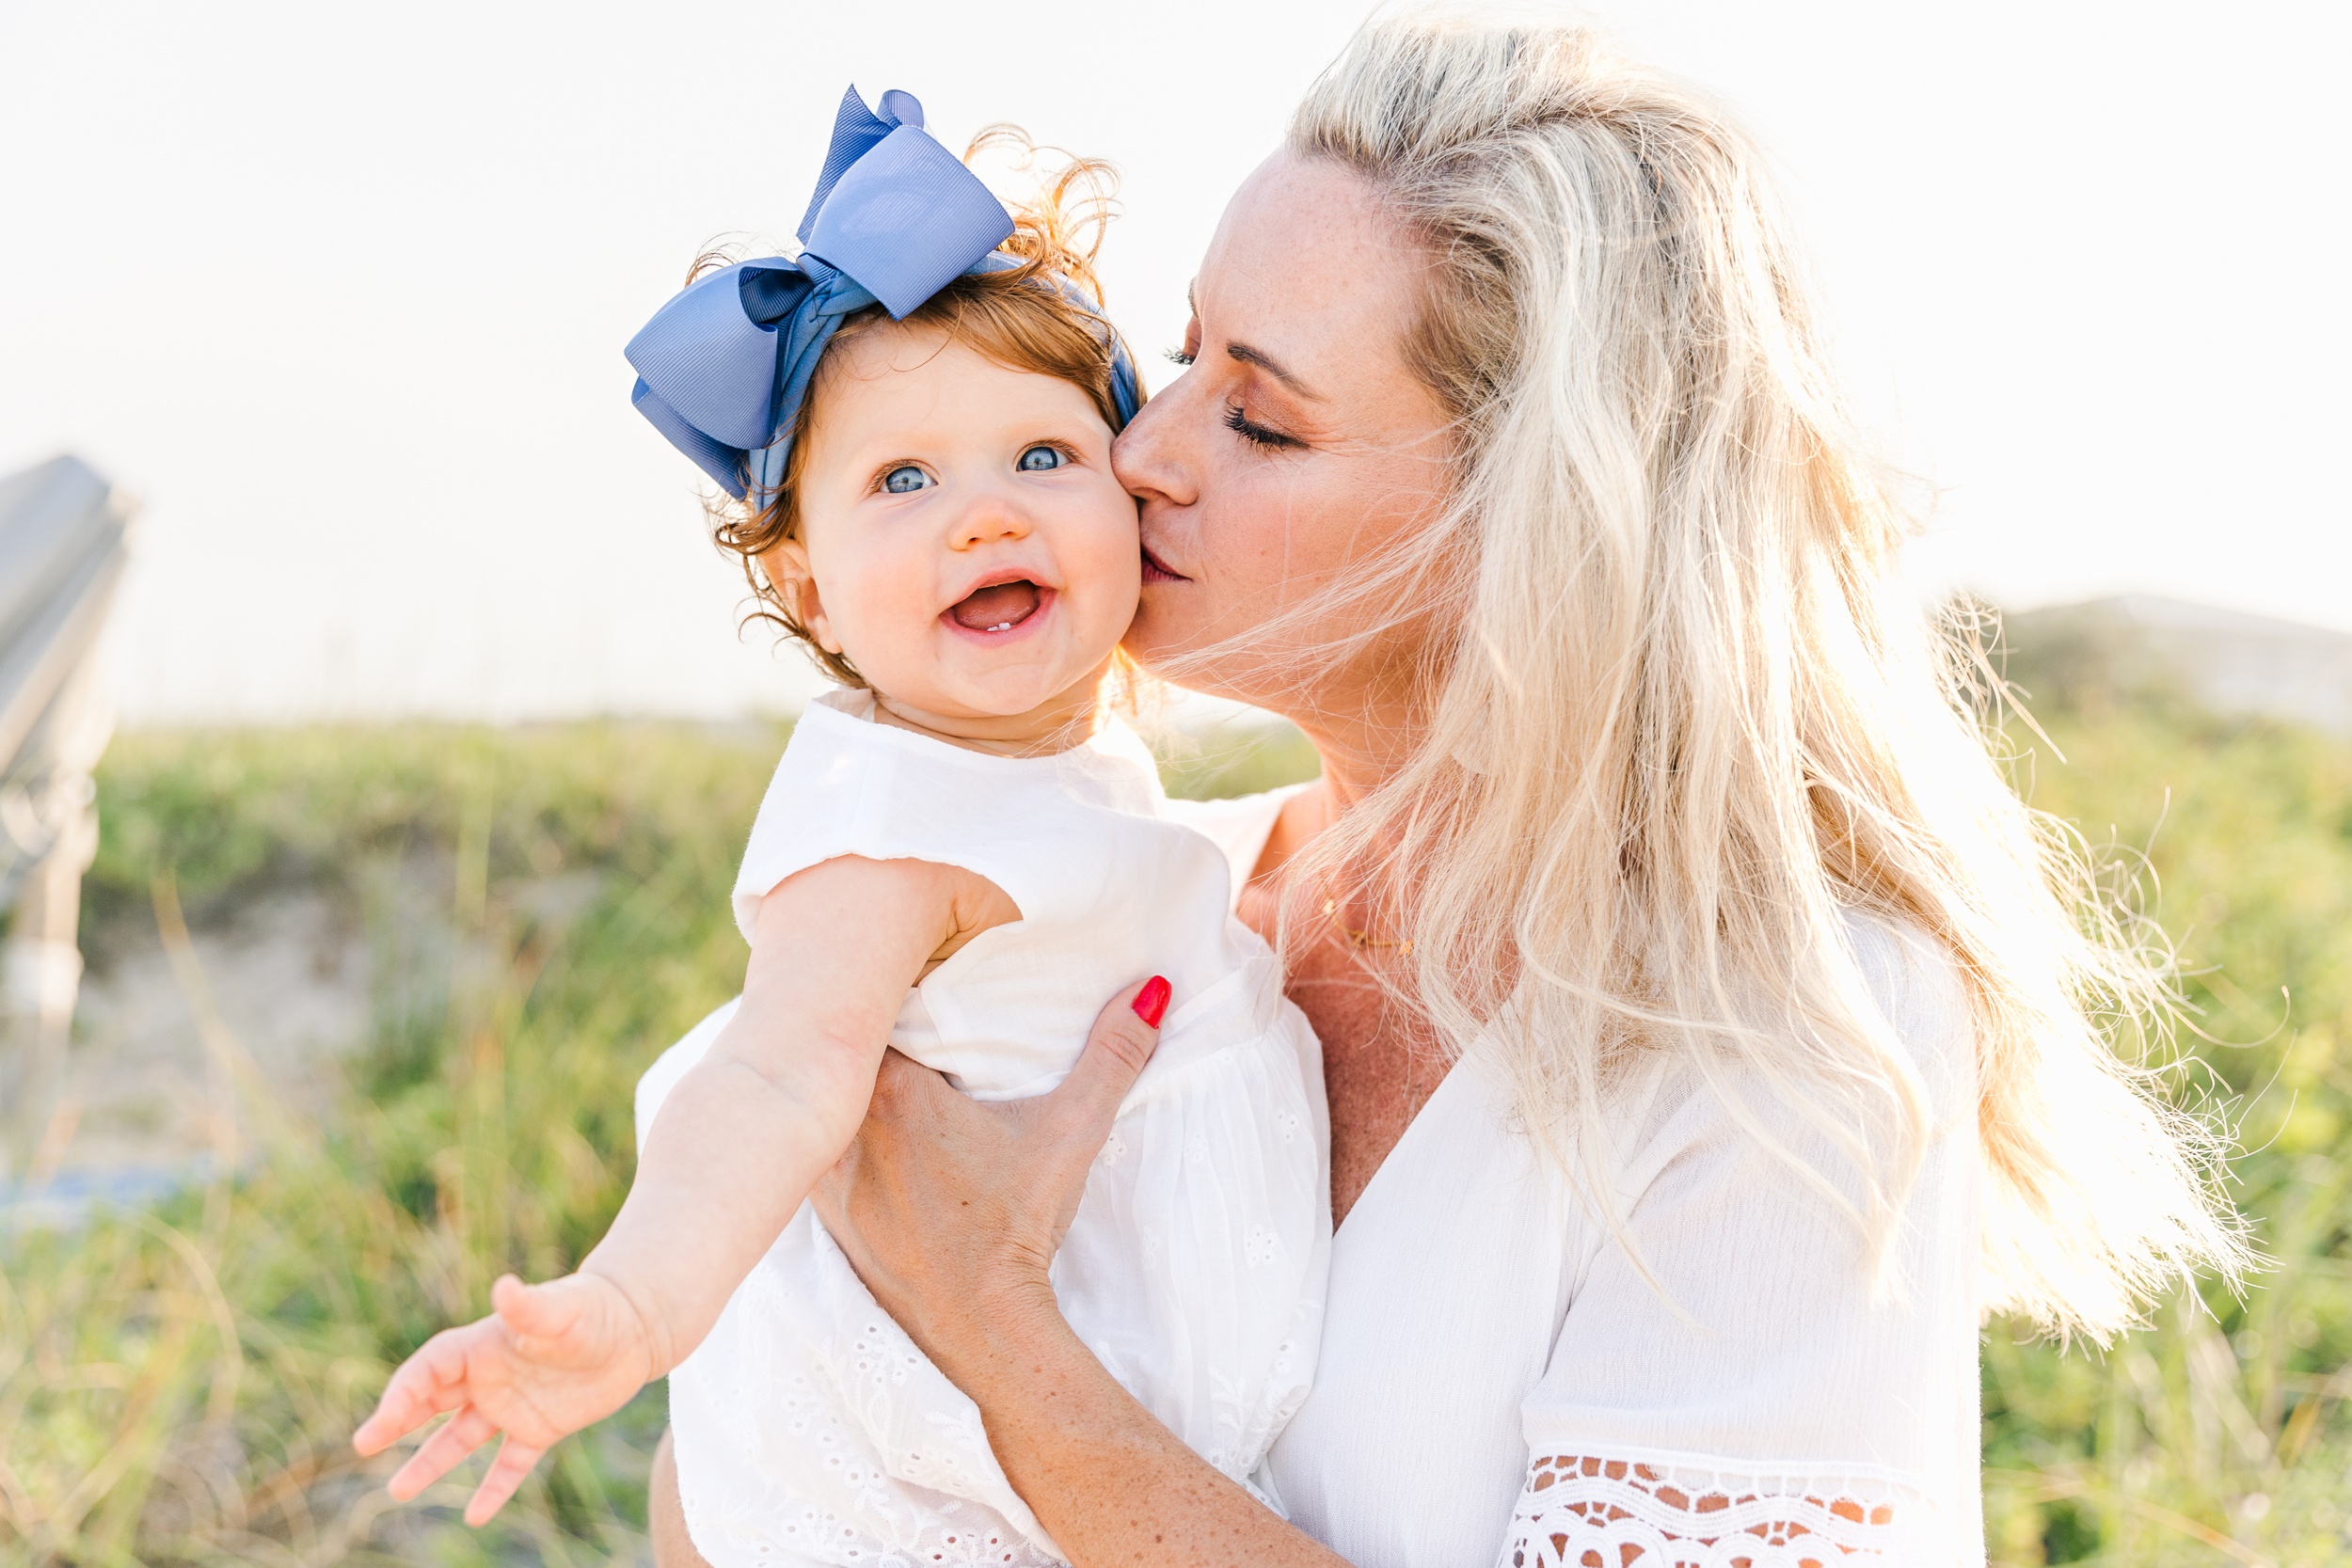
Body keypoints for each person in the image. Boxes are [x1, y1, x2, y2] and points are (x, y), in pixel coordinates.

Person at [650, 13, 2248, 1567]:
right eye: (1186, 351)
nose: (1141, 450)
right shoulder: (1128, 905)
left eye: (1261, 416)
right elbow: (735, 1465)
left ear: (1538, 529)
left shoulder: (1783, 1047)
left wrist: (999, 1342)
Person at [355, 87, 1329, 1568]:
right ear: (806, 587)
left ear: (1132, 483)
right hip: (942, 1456)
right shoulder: (888, 824)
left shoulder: (1065, 758)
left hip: (1079, 1389)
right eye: (902, 482)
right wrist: (631, 1308)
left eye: (1044, 458)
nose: (985, 516)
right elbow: (773, 1077)